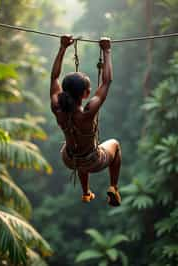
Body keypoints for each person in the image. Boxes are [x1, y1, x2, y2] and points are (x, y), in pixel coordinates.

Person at [50, 35, 122, 206]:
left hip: (69, 159)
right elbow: (107, 82)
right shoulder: (88, 113)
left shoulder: (57, 108)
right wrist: (107, 50)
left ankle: (86, 193)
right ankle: (113, 187)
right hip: (92, 161)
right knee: (115, 145)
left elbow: (54, 78)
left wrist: (62, 47)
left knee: (78, 153)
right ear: (85, 94)